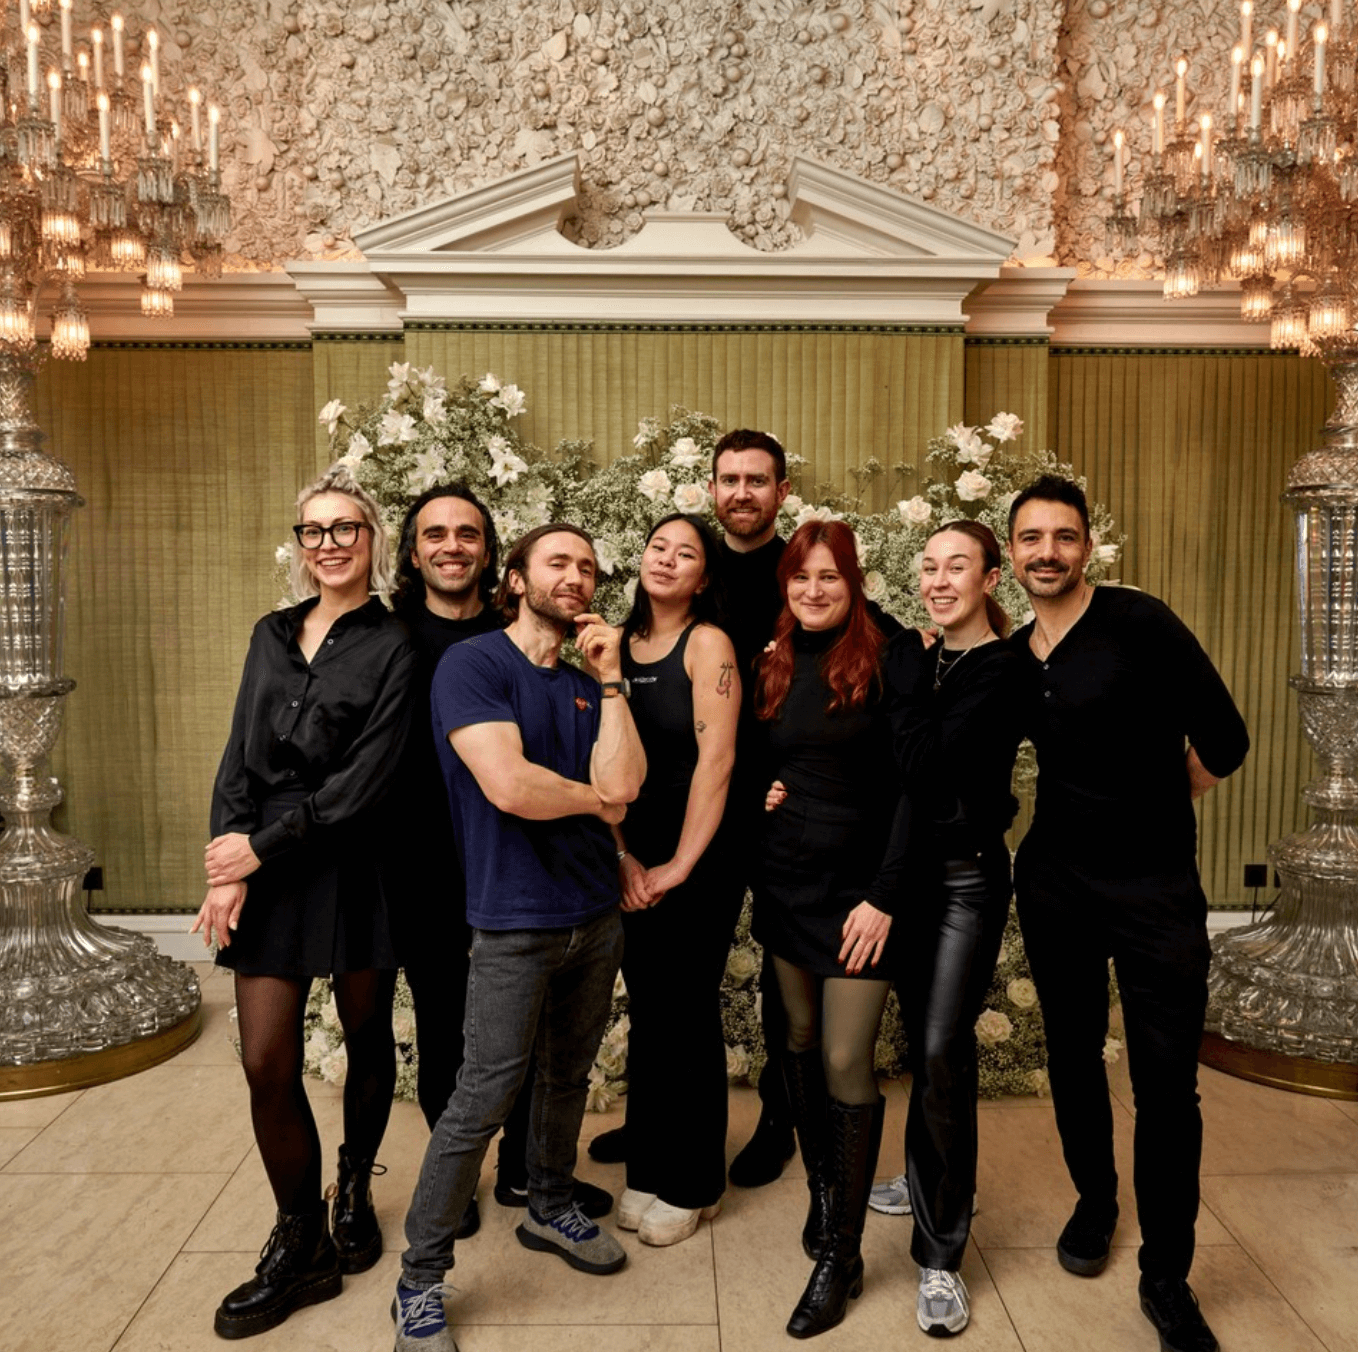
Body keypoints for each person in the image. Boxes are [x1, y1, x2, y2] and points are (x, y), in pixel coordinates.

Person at [1007, 475, 1249, 1352]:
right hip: (1055, 887)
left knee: (1165, 1088)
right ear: (1011, 553)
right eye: (1031, 538)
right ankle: (1095, 1203)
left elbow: (1225, 736)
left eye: (1062, 537)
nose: (1047, 553)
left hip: (1155, 893)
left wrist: (1159, 798)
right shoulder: (1017, 652)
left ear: (1087, 548)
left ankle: (1168, 1276)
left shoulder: (1140, 623)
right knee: (1071, 1055)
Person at [393, 523, 646, 1352]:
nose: (576, 577)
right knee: (481, 1097)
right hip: (511, 918)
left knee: (567, 1075)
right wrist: (595, 798)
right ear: (517, 577)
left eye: (587, 567)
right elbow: (507, 786)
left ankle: (548, 1205)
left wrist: (612, 681)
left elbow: (629, 782)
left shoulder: (583, 684)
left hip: (594, 918)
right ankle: (420, 1281)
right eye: (558, 562)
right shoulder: (474, 666)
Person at [194, 466, 417, 1339]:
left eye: (345, 529)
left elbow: (368, 783)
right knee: (265, 1062)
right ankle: (302, 1241)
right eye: (313, 531)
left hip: (357, 860)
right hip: (272, 866)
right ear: (299, 546)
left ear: (373, 541)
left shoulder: (395, 643)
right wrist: (229, 864)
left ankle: (354, 1182)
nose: (328, 544)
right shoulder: (269, 633)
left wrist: (261, 844)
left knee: (366, 1033)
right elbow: (237, 754)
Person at [388, 486, 610, 1237]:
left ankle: (529, 1176)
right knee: (461, 1046)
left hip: (530, 866)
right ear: (413, 551)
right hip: (429, 858)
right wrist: (600, 798)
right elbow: (513, 783)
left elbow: (581, 764)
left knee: (549, 1053)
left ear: (492, 556)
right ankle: (447, 1214)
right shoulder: (395, 638)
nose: (452, 545)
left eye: (468, 533)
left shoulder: (521, 641)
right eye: (436, 534)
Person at [589, 427, 798, 1189]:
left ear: (780, 490)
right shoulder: (622, 635)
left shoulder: (796, 575)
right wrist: (621, 850)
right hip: (643, 832)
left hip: (754, 807)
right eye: (728, 478)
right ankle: (654, 1125)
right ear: (713, 487)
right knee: (656, 992)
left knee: (762, 981)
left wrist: (794, 778)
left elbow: (839, 664)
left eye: (757, 479)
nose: (741, 490)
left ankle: (774, 1125)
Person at [756, 519, 907, 1339]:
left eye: (830, 578)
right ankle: (824, 1188)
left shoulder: (888, 658)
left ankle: (840, 1255)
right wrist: (766, 787)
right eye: (800, 578)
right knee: (803, 1037)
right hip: (787, 880)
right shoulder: (773, 662)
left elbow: (915, 789)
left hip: (861, 891)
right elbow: (749, 753)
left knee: (849, 1057)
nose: (814, 591)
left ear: (854, 584)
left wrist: (885, 893)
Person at [881, 521, 1026, 1337]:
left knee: (942, 1047)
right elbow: (893, 765)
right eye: (929, 566)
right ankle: (928, 1175)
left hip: (967, 881)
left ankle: (940, 1255)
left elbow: (926, 764)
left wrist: (903, 689)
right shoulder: (923, 655)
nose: (938, 580)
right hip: (909, 880)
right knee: (921, 1044)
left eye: (957, 567)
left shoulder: (1001, 669)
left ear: (991, 579)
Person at [611, 513, 742, 1247]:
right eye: (657, 545)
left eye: (685, 552)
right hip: (633, 856)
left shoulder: (709, 645)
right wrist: (625, 857)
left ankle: (695, 1183)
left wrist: (680, 866)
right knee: (650, 1008)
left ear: (703, 576)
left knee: (687, 1009)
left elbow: (716, 762)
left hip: (698, 855)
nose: (666, 559)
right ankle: (651, 1164)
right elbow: (599, 763)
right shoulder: (617, 647)